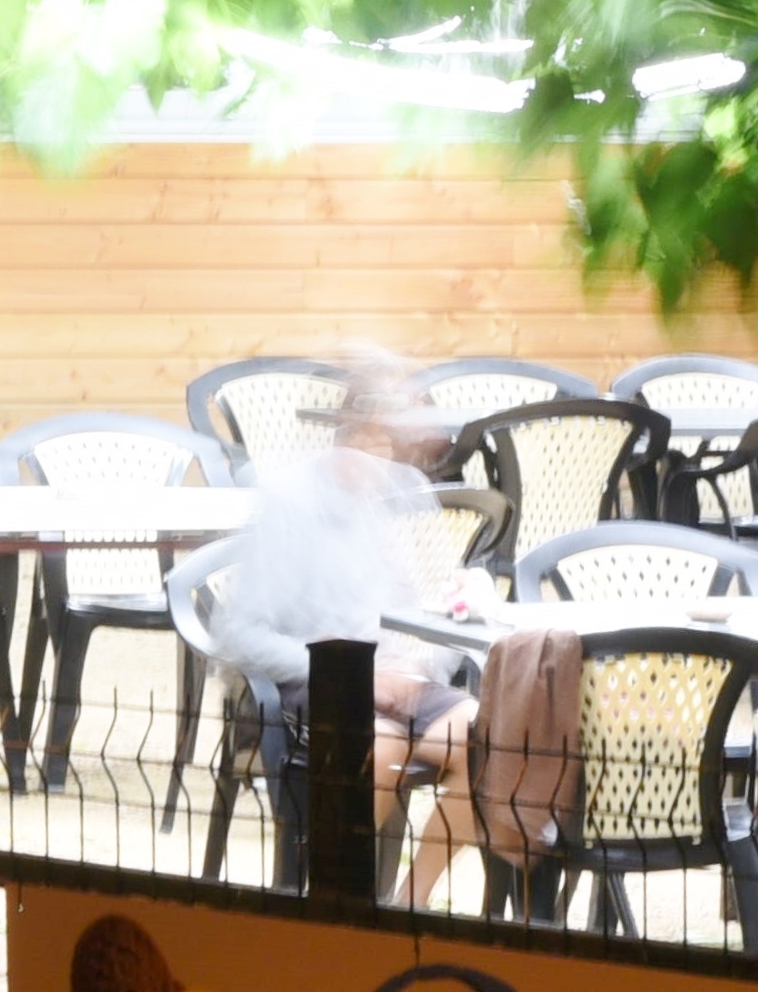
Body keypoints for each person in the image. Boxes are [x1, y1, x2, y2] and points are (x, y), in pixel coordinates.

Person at [210, 357, 547, 900]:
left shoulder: (407, 492)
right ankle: (340, 903)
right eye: (376, 439)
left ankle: (409, 902)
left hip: (403, 681)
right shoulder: (290, 500)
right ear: (348, 433)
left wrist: (432, 649)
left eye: (396, 444)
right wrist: (350, 674)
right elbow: (239, 633)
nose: (387, 458)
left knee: (493, 743)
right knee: (381, 751)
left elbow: (435, 610)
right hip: (320, 680)